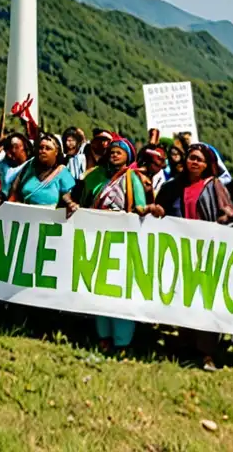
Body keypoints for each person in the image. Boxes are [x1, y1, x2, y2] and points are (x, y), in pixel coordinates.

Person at [154, 143, 233, 370]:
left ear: (207, 164)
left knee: (206, 302)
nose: (194, 162)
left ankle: (207, 353)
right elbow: (161, 209)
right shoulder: (172, 186)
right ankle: (187, 349)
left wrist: (221, 221)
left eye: (199, 159)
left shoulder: (214, 185)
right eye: (191, 157)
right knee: (184, 299)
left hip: (206, 252)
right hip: (180, 252)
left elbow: (229, 210)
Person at [74, 136, 150, 352]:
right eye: (112, 150)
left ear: (128, 157)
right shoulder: (95, 176)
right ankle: (103, 336)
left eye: (120, 151)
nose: (115, 153)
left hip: (122, 241)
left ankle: (122, 341)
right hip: (96, 237)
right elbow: (83, 199)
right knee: (99, 287)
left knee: (119, 291)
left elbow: (140, 206)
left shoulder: (131, 178)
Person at [7, 133, 77, 207]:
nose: (43, 151)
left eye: (48, 148)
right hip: (25, 215)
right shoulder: (29, 166)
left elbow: (66, 196)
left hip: (49, 216)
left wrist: (70, 203)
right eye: (41, 148)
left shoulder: (62, 172)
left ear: (56, 152)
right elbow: (14, 191)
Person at [0, 133, 31, 198]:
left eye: (16, 147)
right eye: (11, 147)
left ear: (25, 147)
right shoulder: (3, 164)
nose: (13, 150)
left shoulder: (30, 165)